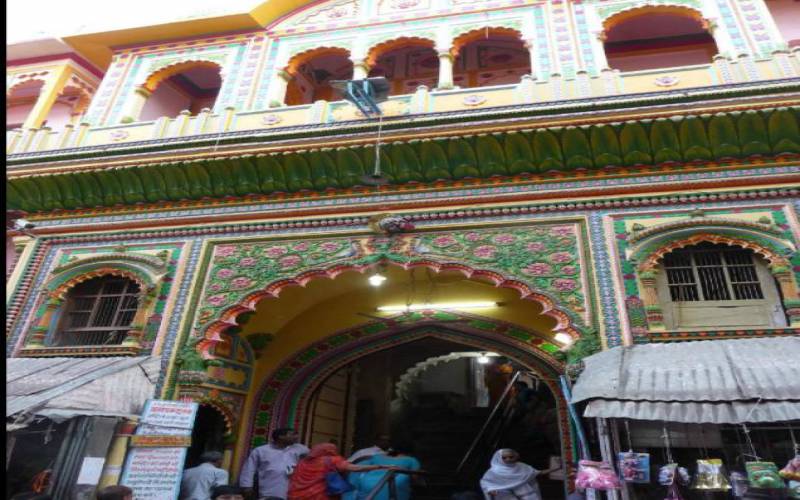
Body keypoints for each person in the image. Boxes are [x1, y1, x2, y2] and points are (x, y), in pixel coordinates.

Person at [287, 443, 394, 500]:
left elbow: (293, 476)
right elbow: (355, 468)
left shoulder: (302, 462)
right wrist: (380, 466)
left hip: (297, 495)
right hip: (320, 495)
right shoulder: (332, 459)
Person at [240, 428, 310, 500]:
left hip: (294, 490)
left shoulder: (301, 449)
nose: (296, 436)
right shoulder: (261, 451)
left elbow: (314, 461)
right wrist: (246, 486)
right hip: (269, 490)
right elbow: (249, 469)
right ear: (281, 436)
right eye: (292, 434)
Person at [480, 449, 560, 500]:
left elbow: (537, 473)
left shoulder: (522, 466)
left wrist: (556, 468)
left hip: (528, 495)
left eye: (511, 457)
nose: (508, 459)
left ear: (516, 456)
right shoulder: (494, 471)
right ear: (499, 459)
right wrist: (491, 490)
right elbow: (486, 483)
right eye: (504, 458)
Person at [353, 441, 421, 500]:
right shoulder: (412, 460)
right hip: (392, 488)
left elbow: (358, 468)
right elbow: (415, 479)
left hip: (367, 486)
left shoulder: (376, 456)